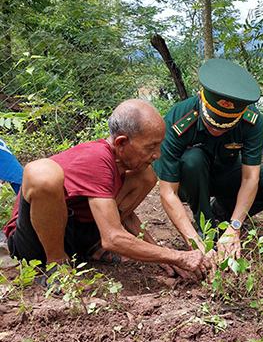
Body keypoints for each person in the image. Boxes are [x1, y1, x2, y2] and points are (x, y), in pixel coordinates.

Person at [3, 99, 210, 280]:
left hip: (74, 231)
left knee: (146, 176)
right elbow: (112, 236)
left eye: (159, 147)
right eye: (150, 147)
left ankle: (92, 249)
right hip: (34, 242)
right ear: (121, 143)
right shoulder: (97, 158)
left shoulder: (120, 164)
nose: (157, 154)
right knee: (43, 173)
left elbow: (124, 218)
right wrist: (178, 256)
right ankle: (57, 266)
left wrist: (163, 256)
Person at [153, 58, 263, 260]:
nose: (217, 130)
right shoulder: (178, 119)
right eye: (211, 125)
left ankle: (222, 213)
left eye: (224, 127)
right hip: (190, 183)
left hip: (227, 175)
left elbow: (250, 178)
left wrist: (234, 227)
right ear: (202, 101)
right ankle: (205, 226)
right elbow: (168, 192)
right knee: (193, 158)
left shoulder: (252, 121)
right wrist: (195, 242)